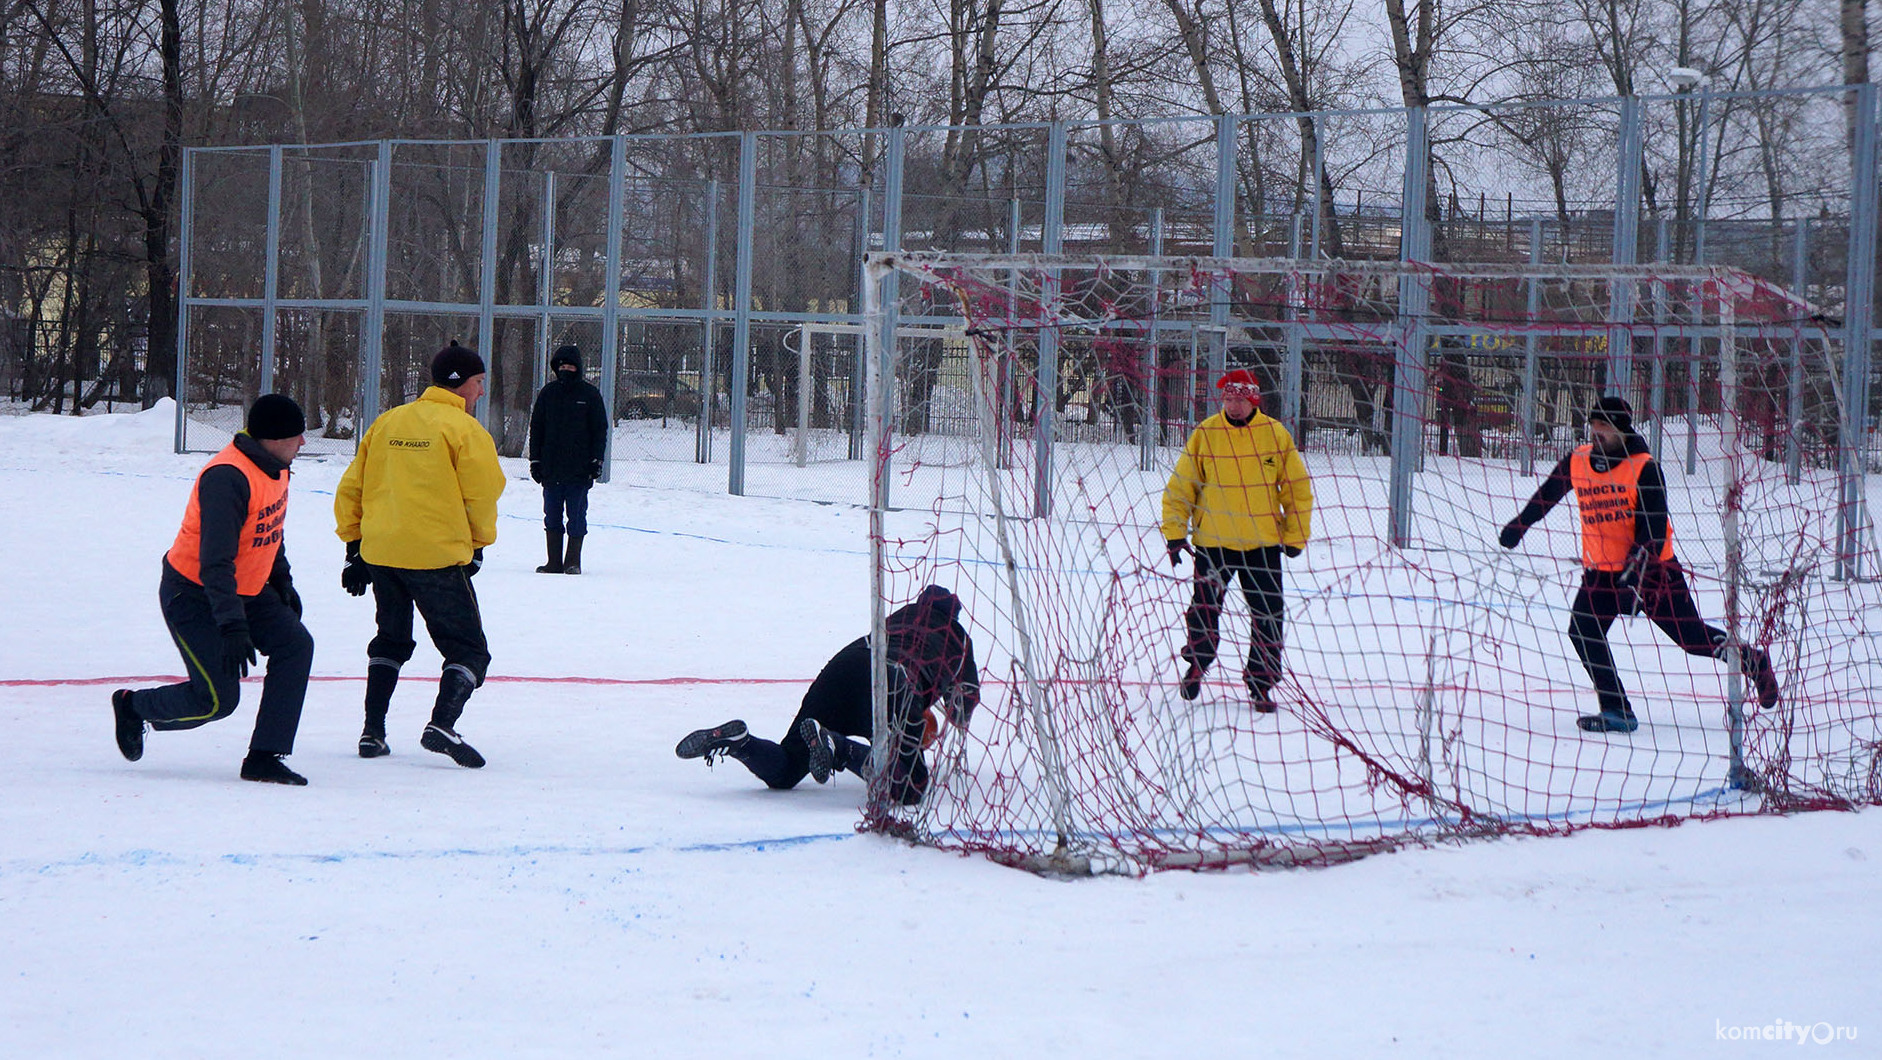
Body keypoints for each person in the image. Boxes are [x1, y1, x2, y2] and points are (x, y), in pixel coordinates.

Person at [1499, 395, 1781, 733]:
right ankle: (1617, 710)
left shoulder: (1644, 467)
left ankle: (1754, 661)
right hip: (1602, 573)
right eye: (1594, 426)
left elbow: (1655, 525)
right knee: (1583, 630)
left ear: (1621, 429)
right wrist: (1519, 525)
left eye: (1604, 427)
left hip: (1653, 573)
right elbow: (1547, 496)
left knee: (1691, 638)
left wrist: (1639, 560)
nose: (1596, 433)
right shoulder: (1577, 461)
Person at [111, 395, 316, 785]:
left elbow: (269, 529)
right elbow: (215, 562)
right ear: (272, 439)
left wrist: (282, 583)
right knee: (218, 700)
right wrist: (232, 627)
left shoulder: (276, 467)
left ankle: (264, 756)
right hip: (194, 594)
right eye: (296, 436)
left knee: (296, 645)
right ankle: (134, 706)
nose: (303, 443)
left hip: (245, 590)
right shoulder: (227, 478)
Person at [335, 340, 506, 767]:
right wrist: (478, 545)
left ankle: (372, 732)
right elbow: (482, 495)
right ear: (461, 383)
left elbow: (351, 487)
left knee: (391, 638)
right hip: (436, 557)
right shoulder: (465, 431)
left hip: (382, 553)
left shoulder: (388, 422)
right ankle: (441, 725)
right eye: (479, 382)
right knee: (468, 650)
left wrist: (354, 546)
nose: (482, 392)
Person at [675, 585, 979, 805]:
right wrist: (931, 720)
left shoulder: (900, 616)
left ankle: (741, 744)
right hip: (895, 680)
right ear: (954, 616)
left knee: (787, 770)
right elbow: (963, 708)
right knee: (910, 787)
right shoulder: (959, 639)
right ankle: (840, 748)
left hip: (846, 665)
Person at [1160, 368, 1314, 711]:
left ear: (1253, 399)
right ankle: (1197, 665)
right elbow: (1181, 486)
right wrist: (1174, 534)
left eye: (1240, 399)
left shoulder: (1275, 435)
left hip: (1262, 545)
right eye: (1228, 399)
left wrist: (1295, 535)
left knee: (1268, 615)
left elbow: (1296, 490)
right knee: (1203, 610)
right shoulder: (1207, 433)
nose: (1233, 405)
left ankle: (1261, 684)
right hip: (1214, 543)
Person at [527, 343, 608, 575]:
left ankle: (573, 562)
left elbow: (599, 430)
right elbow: (537, 429)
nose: (566, 369)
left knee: (577, 516)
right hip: (551, 470)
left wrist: (596, 461)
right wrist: (535, 461)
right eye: (562, 365)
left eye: (571, 365)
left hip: (579, 471)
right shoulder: (548, 394)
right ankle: (553, 562)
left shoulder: (589, 395)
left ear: (579, 368)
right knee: (551, 515)